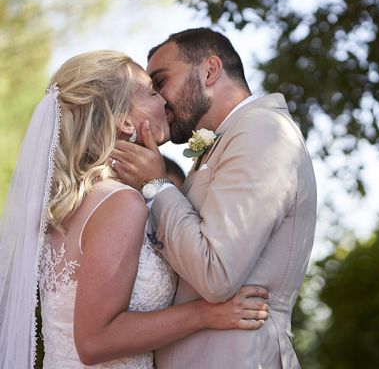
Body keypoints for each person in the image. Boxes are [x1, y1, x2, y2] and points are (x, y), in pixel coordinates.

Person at [0, 51, 269, 369]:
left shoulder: (68, 204)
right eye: (153, 93)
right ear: (125, 120)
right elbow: (95, 341)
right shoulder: (119, 202)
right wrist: (208, 313)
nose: (165, 101)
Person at [112, 28, 317, 368]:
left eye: (161, 81)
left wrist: (156, 186)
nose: (159, 100)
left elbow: (215, 272)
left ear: (209, 70)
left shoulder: (262, 133)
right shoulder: (228, 140)